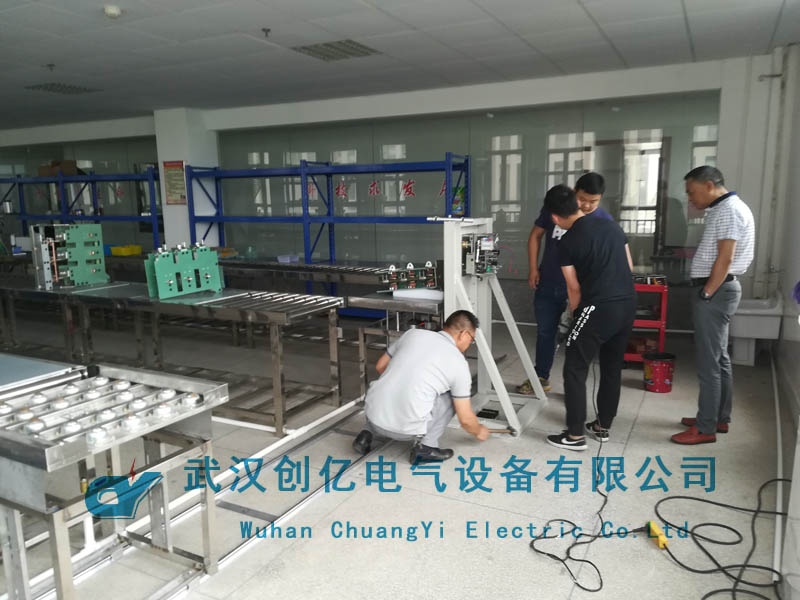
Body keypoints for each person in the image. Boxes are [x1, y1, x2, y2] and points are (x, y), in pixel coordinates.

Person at [519, 172, 633, 395]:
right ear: (574, 193)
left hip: (582, 290)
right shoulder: (557, 210)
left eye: (593, 201)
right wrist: (533, 268)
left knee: (579, 341)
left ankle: (574, 390)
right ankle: (541, 376)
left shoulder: (604, 221)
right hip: (550, 282)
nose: (587, 205)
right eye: (582, 199)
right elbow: (535, 236)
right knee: (545, 332)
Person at [541, 185, 636, 451]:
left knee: (575, 367)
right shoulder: (612, 227)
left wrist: (576, 318)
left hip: (597, 307)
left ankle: (574, 436)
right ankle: (602, 426)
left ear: (555, 217)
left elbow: (574, 290)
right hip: (627, 304)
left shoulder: (566, 243)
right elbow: (629, 267)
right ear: (577, 204)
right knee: (611, 365)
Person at [671, 166, 754, 445]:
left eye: (691, 192)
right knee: (719, 359)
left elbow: (725, 258)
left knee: (709, 364)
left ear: (708, 185)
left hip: (716, 291)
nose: (690, 198)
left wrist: (707, 292)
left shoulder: (729, 210)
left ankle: (705, 427)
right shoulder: (725, 208)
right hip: (721, 289)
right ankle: (718, 417)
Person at [352, 310, 490, 463]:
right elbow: (466, 419)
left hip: (373, 417)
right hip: (405, 431)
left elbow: (380, 366)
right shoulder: (459, 363)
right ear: (463, 334)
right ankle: (426, 448)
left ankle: (366, 434)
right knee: (452, 396)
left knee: (391, 380)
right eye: (471, 340)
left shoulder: (412, 335)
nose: (469, 344)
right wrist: (479, 430)